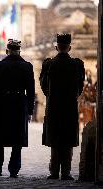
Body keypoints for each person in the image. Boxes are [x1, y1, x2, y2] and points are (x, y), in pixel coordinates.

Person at [0, 39, 35, 178]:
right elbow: (30, 91)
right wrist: (30, 110)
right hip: (19, 105)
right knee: (17, 140)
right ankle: (14, 170)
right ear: (19, 51)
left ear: (7, 51)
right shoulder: (27, 66)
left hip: (1, 105)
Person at [40, 34, 85, 180]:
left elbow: (44, 86)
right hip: (70, 107)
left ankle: (53, 172)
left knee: (55, 139)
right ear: (69, 48)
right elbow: (80, 86)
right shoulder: (77, 64)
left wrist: (52, 95)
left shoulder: (48, 64)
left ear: (56, 47)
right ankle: (66, 172)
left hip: (53, 106)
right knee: (67, 139)